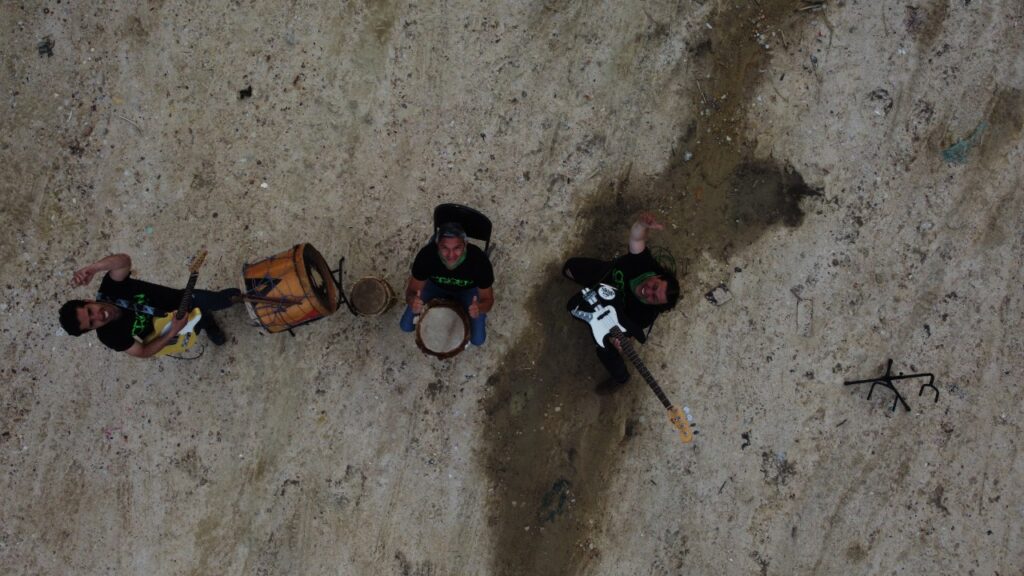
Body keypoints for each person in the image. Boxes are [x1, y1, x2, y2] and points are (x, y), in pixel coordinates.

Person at [563, 212, 681, 393]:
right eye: (654, 286)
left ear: (655, 306)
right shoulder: (645, 264)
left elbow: (627, 331)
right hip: (603, 277)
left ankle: (621, 378)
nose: (648, 291)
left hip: (605, 317)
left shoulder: (644, 316)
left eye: (654, 298)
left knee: (606, 348)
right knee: (568, 268)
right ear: (657, 276)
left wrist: (617, 340)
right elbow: (636, 239)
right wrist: (642, 224)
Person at [58, 253, 240, 358]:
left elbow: (124, 261)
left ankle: (249, 294)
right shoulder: (109, 336)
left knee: (225, 299)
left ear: (89, 301)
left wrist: (93, 268)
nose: (98, 316)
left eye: (91, 311)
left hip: (183, 299)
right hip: (171, 330)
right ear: (91, 329)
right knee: (198, 325)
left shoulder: (111, 288)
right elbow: (143, 352)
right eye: (92, 322)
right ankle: (207, 322)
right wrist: (172, 332)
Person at [399, 222, 495, 346]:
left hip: (468, 290)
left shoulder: (479, 262)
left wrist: (479, 308)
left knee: (477, 340)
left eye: (457, 248)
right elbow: (411, 291)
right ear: (437, 245)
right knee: (405, 326)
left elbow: (488, 300)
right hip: (435, 286)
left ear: (466, 244)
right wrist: (413, 300)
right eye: (445, 248)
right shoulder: (426, 256)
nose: (451, 255)